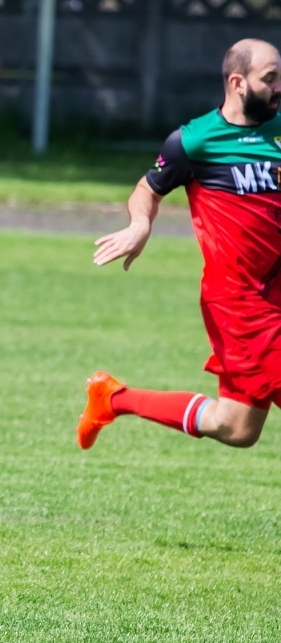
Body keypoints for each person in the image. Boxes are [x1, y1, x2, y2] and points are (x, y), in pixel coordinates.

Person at [80, 38, 281, 450]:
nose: (279, 87)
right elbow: (147, 189)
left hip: (276, 290)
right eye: (271, 79)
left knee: (236, 426)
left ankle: (112, 399)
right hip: (240, 302)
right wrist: (140, 224)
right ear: (238, 83)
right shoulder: (194, 142)